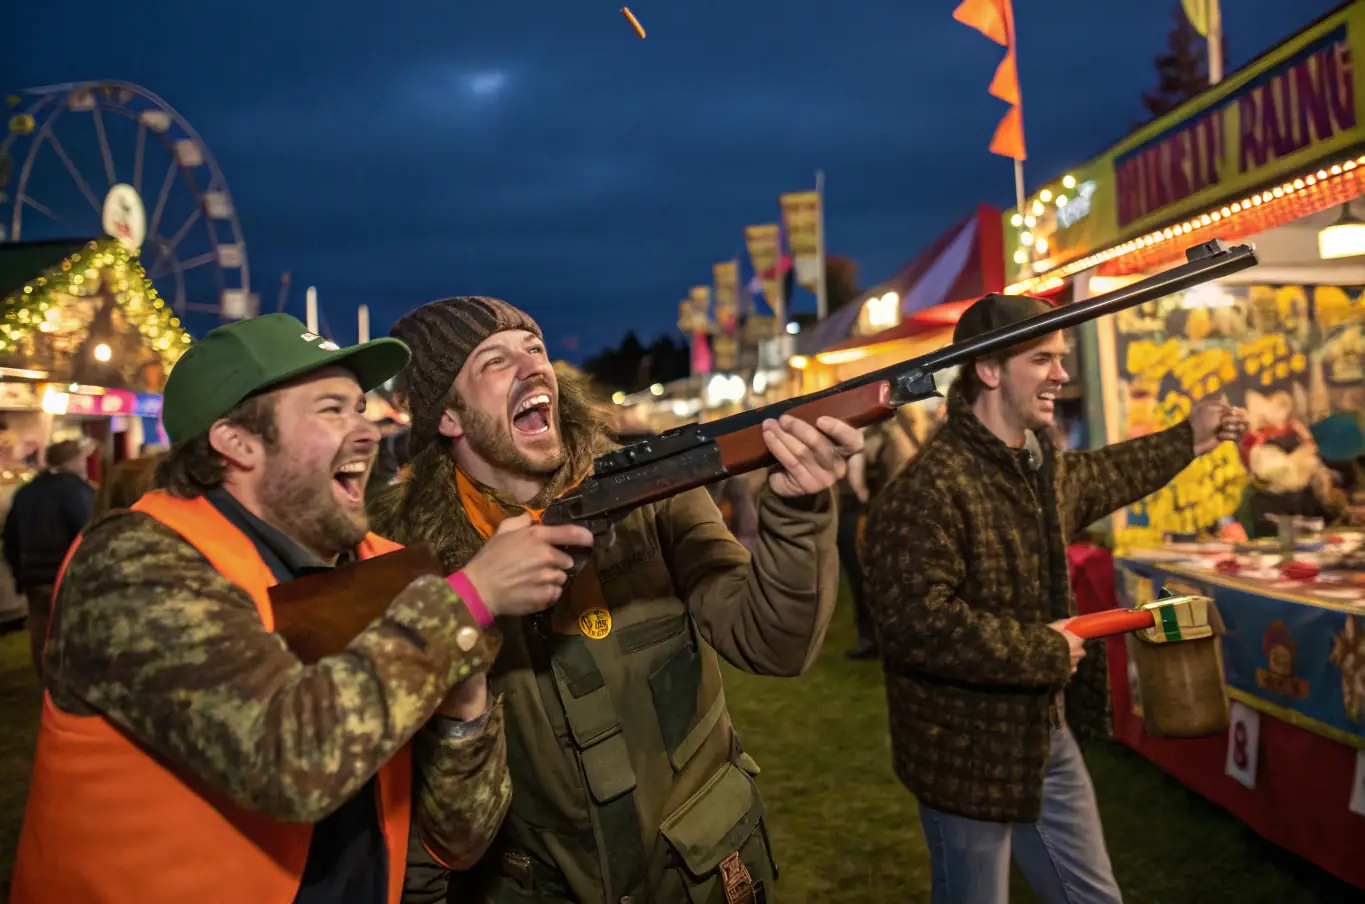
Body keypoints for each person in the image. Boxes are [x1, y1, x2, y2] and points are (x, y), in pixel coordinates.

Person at [11, 313, 593, 904]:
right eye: (330, 410)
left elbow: (459, 837)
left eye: (359, 408)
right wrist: (471, 601)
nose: (366, 432)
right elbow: (287, 761)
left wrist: (463, 705)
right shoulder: (133, 565)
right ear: (236, 441)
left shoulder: (382, 567)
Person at [372, 296, 861, 904]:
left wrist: (797, 509)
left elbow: (772, 642)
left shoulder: (652, 492)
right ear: (448, 416)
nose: (532, 368)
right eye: (494, 360)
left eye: (536, 349)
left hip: (700, 877)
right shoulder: (409, 567)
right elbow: (419, 808)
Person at [862, 293, 1246, 904]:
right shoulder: (929, 490)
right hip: (965, 755)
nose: (1062, 375)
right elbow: (916, 624)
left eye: (1061, 358)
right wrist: (1040, 649)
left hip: (1046, 733)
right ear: (988, 370)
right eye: (1042, 359)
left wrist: (1190, 439)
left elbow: (1102, 475)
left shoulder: (1034, 465)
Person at [2, 436, 95, 678]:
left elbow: (11, 538)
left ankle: (46, 684)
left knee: (41, 633)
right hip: (66, 575)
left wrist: (19, 573)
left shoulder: (26, 492)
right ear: (74, 461)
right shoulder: (76, 490)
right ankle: (68, 685)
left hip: (33, 577)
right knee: (71, 633)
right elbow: (88, 531)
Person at [838, 415, 913, 660]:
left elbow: (859, 487)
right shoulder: (892, 432)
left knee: (868, 580)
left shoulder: (877, 437)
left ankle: (875, 637)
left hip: (869, 517)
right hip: (880, 516)